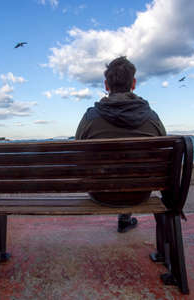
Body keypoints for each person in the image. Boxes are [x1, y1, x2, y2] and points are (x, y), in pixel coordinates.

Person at [75, 56, 167, 234]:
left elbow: (77, 154)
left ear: (106, 85)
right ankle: (125, 219)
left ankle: (124, 218)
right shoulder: (152, 117)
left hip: (100, 193)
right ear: (133, 83)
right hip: (140, 193)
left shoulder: (90, 118)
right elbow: (163, 154)